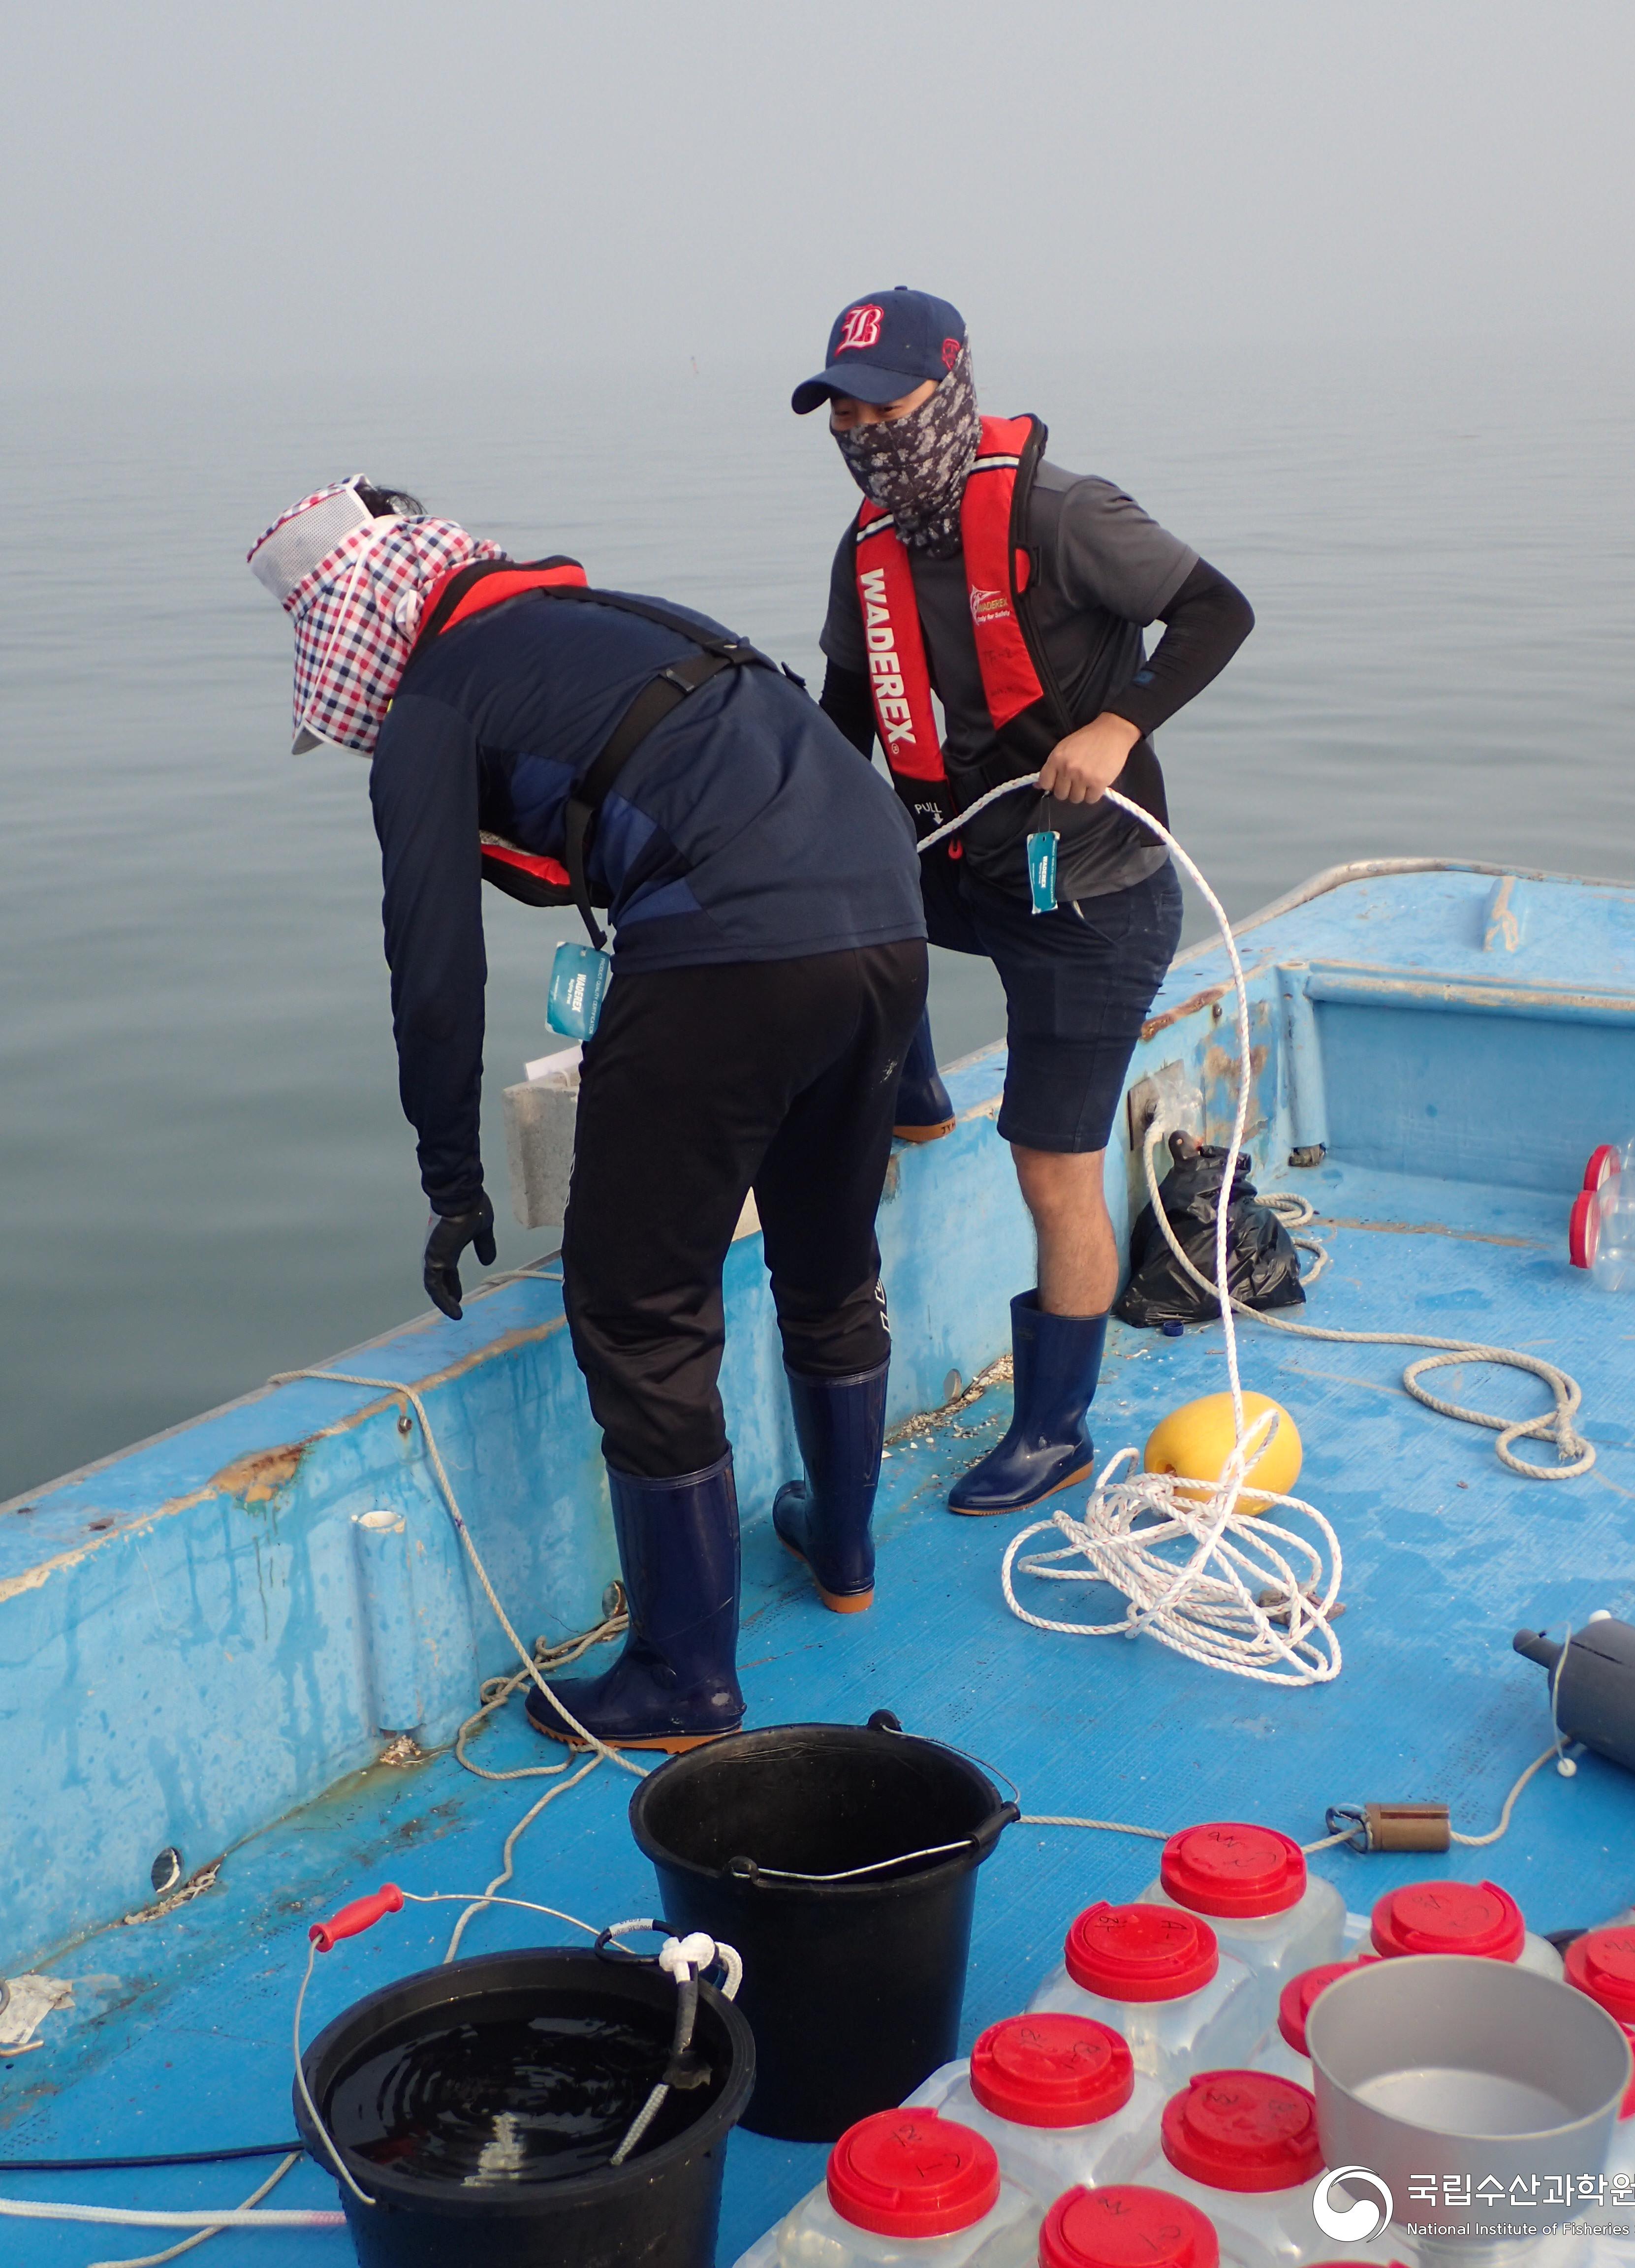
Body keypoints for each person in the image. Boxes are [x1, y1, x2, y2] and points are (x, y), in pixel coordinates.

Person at [247, 478, 928, 1750]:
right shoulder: (622, 621)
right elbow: (829, 799)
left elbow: (434, 970)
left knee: (638, 1308)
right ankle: (844, 1551)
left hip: (726, 948)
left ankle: (683, 1678)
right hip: (887, 925)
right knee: (830, 1265)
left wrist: (454, 1176)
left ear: (348, 631)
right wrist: (914, 1071)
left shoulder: (434, 702)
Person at [793, 289, 1254, 1515]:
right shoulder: (869, 549)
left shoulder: (1065, 514)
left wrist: (1118, 723)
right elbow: (846, 725)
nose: (863, 429)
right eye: (842, 408)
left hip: (1094, 891)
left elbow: (1218, 610)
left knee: (1053, 1167)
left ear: (949, 391)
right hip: (967, 863)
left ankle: (1055, 1427)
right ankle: (915, 1083)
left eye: (885, 404)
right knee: (829, 916)